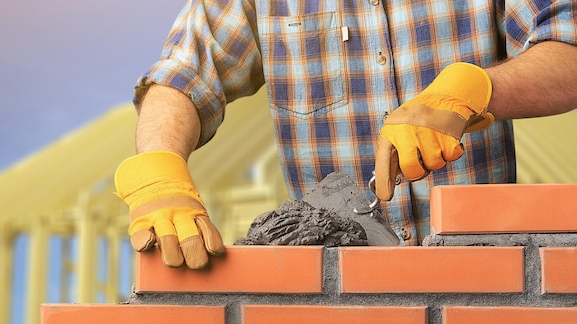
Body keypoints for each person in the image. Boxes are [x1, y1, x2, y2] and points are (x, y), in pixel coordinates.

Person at [114, 0, 577, 269]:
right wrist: (159, 173)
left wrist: (477, 90)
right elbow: (182, 76)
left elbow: (568, 43)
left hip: (485, 277)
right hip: (335, 291)